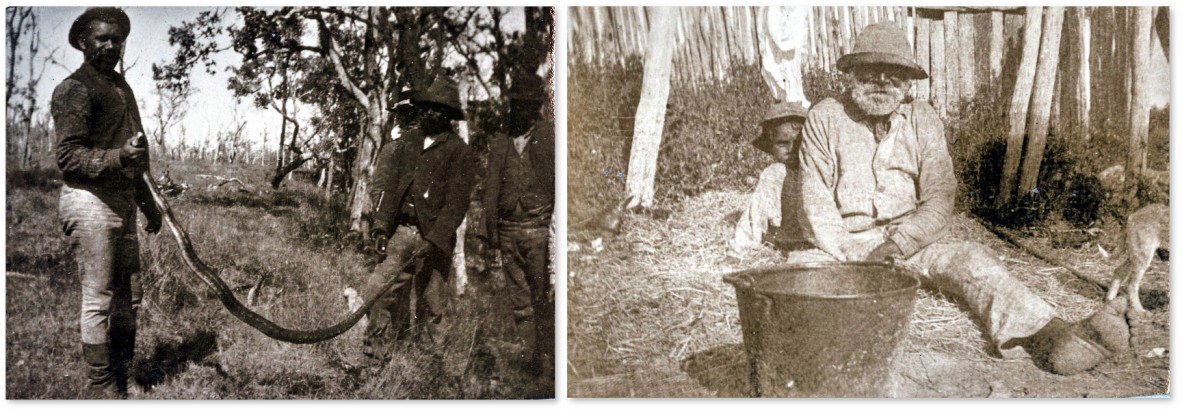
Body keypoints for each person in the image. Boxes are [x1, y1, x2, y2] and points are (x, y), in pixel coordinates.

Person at [787, 22, 1131, 375]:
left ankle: (1052, 335)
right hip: (842, 244)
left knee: (970, 260)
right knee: (799, 278)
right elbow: (815, 205)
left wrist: (898, 245)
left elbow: (939, 198)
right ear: (852, 74)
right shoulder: (825, 117)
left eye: (895, 74)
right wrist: (857, 256)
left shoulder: (922, 118)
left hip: (910, 240)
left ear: (908, 83)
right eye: (871, 71)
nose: (882, 82)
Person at [51, 7, 162, 398]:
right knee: (98, 297)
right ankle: (102, 388)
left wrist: (149, 205)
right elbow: (68, 157)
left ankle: (123, 375)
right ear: (83, 42)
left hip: (123, 202)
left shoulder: (122, 88)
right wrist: (117, 158)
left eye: (117, 39)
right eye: (102, 38)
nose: (111, 45)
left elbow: (138, 153)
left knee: (129, 297)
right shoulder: (74, 88)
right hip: (89, 201)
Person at [361, 76, 478, 362]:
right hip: (402, 232)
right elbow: (390, 191)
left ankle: (429, 367)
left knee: (432, 303)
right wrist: (380, 227)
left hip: (434, 242)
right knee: (377, 291)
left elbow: (456, 205)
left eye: (436, 108)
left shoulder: (459, 153)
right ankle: (375, 356)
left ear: (448, 116)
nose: (427, 112)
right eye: (425, 106)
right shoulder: (408, 143)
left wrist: (434, 239)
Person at [481, 74, 555, 376]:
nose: (522, 111)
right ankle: (530, 361)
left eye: (528, 105)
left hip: (539, 229)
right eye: (517, 106)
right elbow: (490, 190)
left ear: (537, 107)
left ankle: (549, 361)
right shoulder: (500, 142)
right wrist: (492, 238)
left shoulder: (549, 137)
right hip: (509, 230)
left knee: (544, 299)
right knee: (520, 302)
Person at [729, 100, 808, 256]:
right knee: (775, 172)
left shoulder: (816, 168)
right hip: (787, 239)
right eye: (782, 144)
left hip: (815, 238)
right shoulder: (774, 174)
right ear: (771, 146)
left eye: (798, 142)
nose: (791, 149)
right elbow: (755, 215)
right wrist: (742, 245)